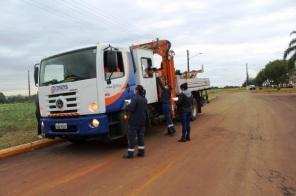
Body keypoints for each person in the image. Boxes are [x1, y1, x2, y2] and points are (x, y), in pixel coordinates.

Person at [123, 85, 148, 159]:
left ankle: (130, 154)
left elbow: (131, 108)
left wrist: (126, 106)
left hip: (134, 120)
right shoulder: (144, 99)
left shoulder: (135, 98)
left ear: (137, 90)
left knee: (131, 137)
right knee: (141, 136)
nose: (134, 90)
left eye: (135, 89)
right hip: (142, 120)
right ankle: (141, 152)